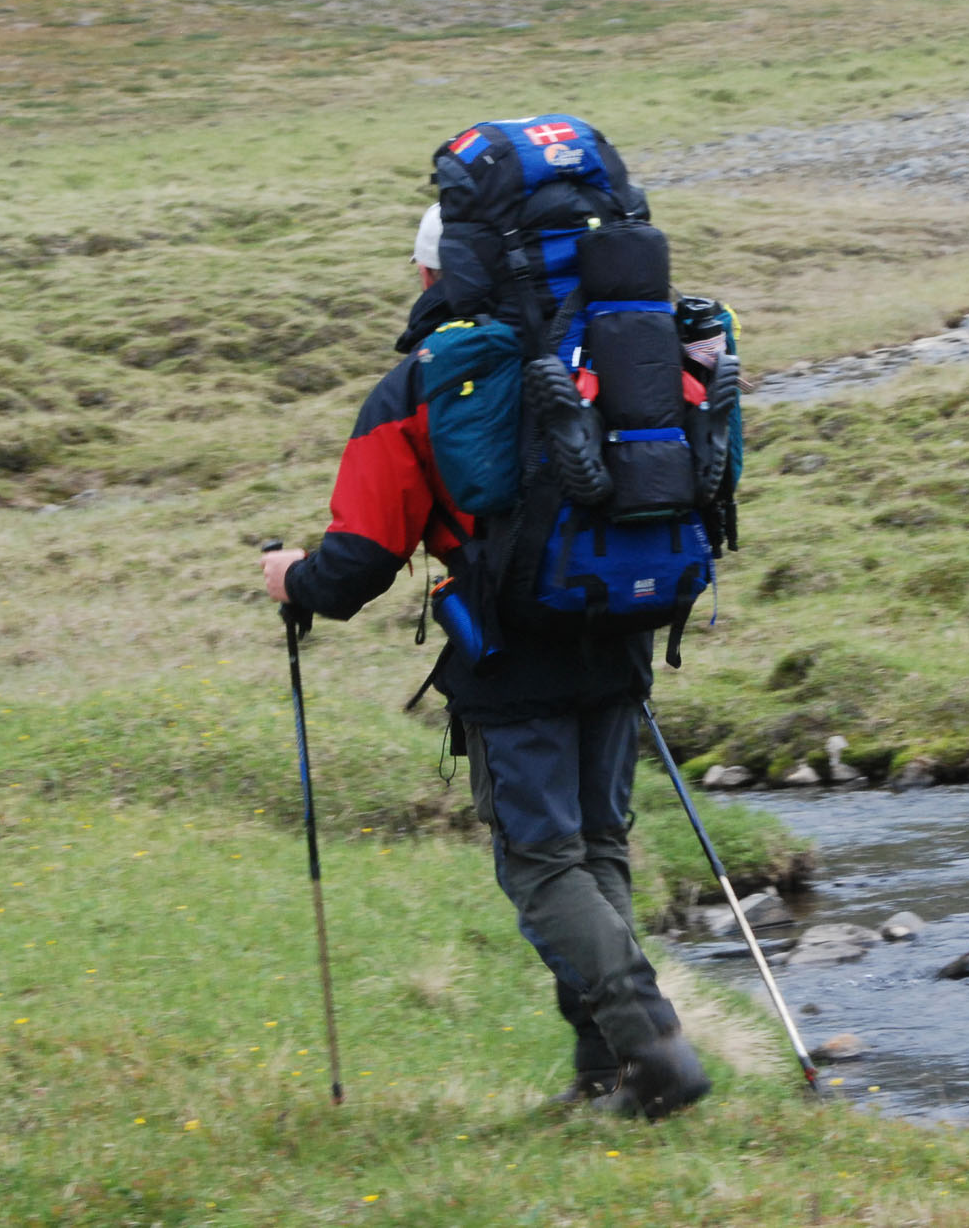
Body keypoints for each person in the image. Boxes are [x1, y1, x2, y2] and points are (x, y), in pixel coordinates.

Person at [257, 194, 712, 1122]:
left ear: (437, 273)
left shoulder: (432, 378)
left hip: (511, 650)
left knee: (542, 863)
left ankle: (655, 1050)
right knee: (596, 848)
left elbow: (355, 566)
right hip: (620, 626)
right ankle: (609, 1074)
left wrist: (290, 579)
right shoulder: (621, 353)